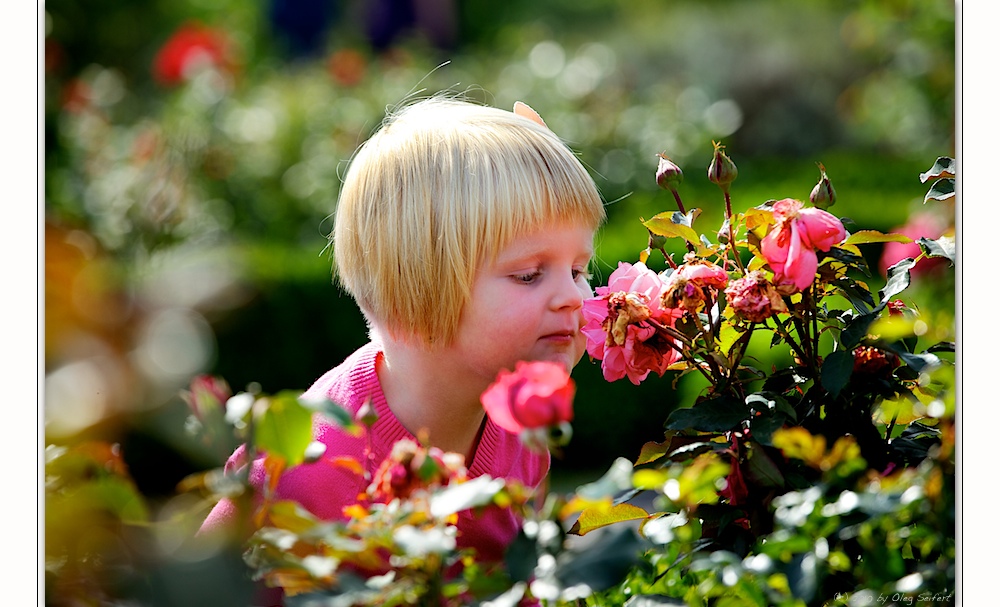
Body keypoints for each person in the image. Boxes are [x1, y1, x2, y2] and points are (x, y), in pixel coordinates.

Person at [200, 95, 606, 572]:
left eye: (579, 268)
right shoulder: (316, 466)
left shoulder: (522, 427)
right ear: (415, 285)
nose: (574, 297)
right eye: (529, 275)